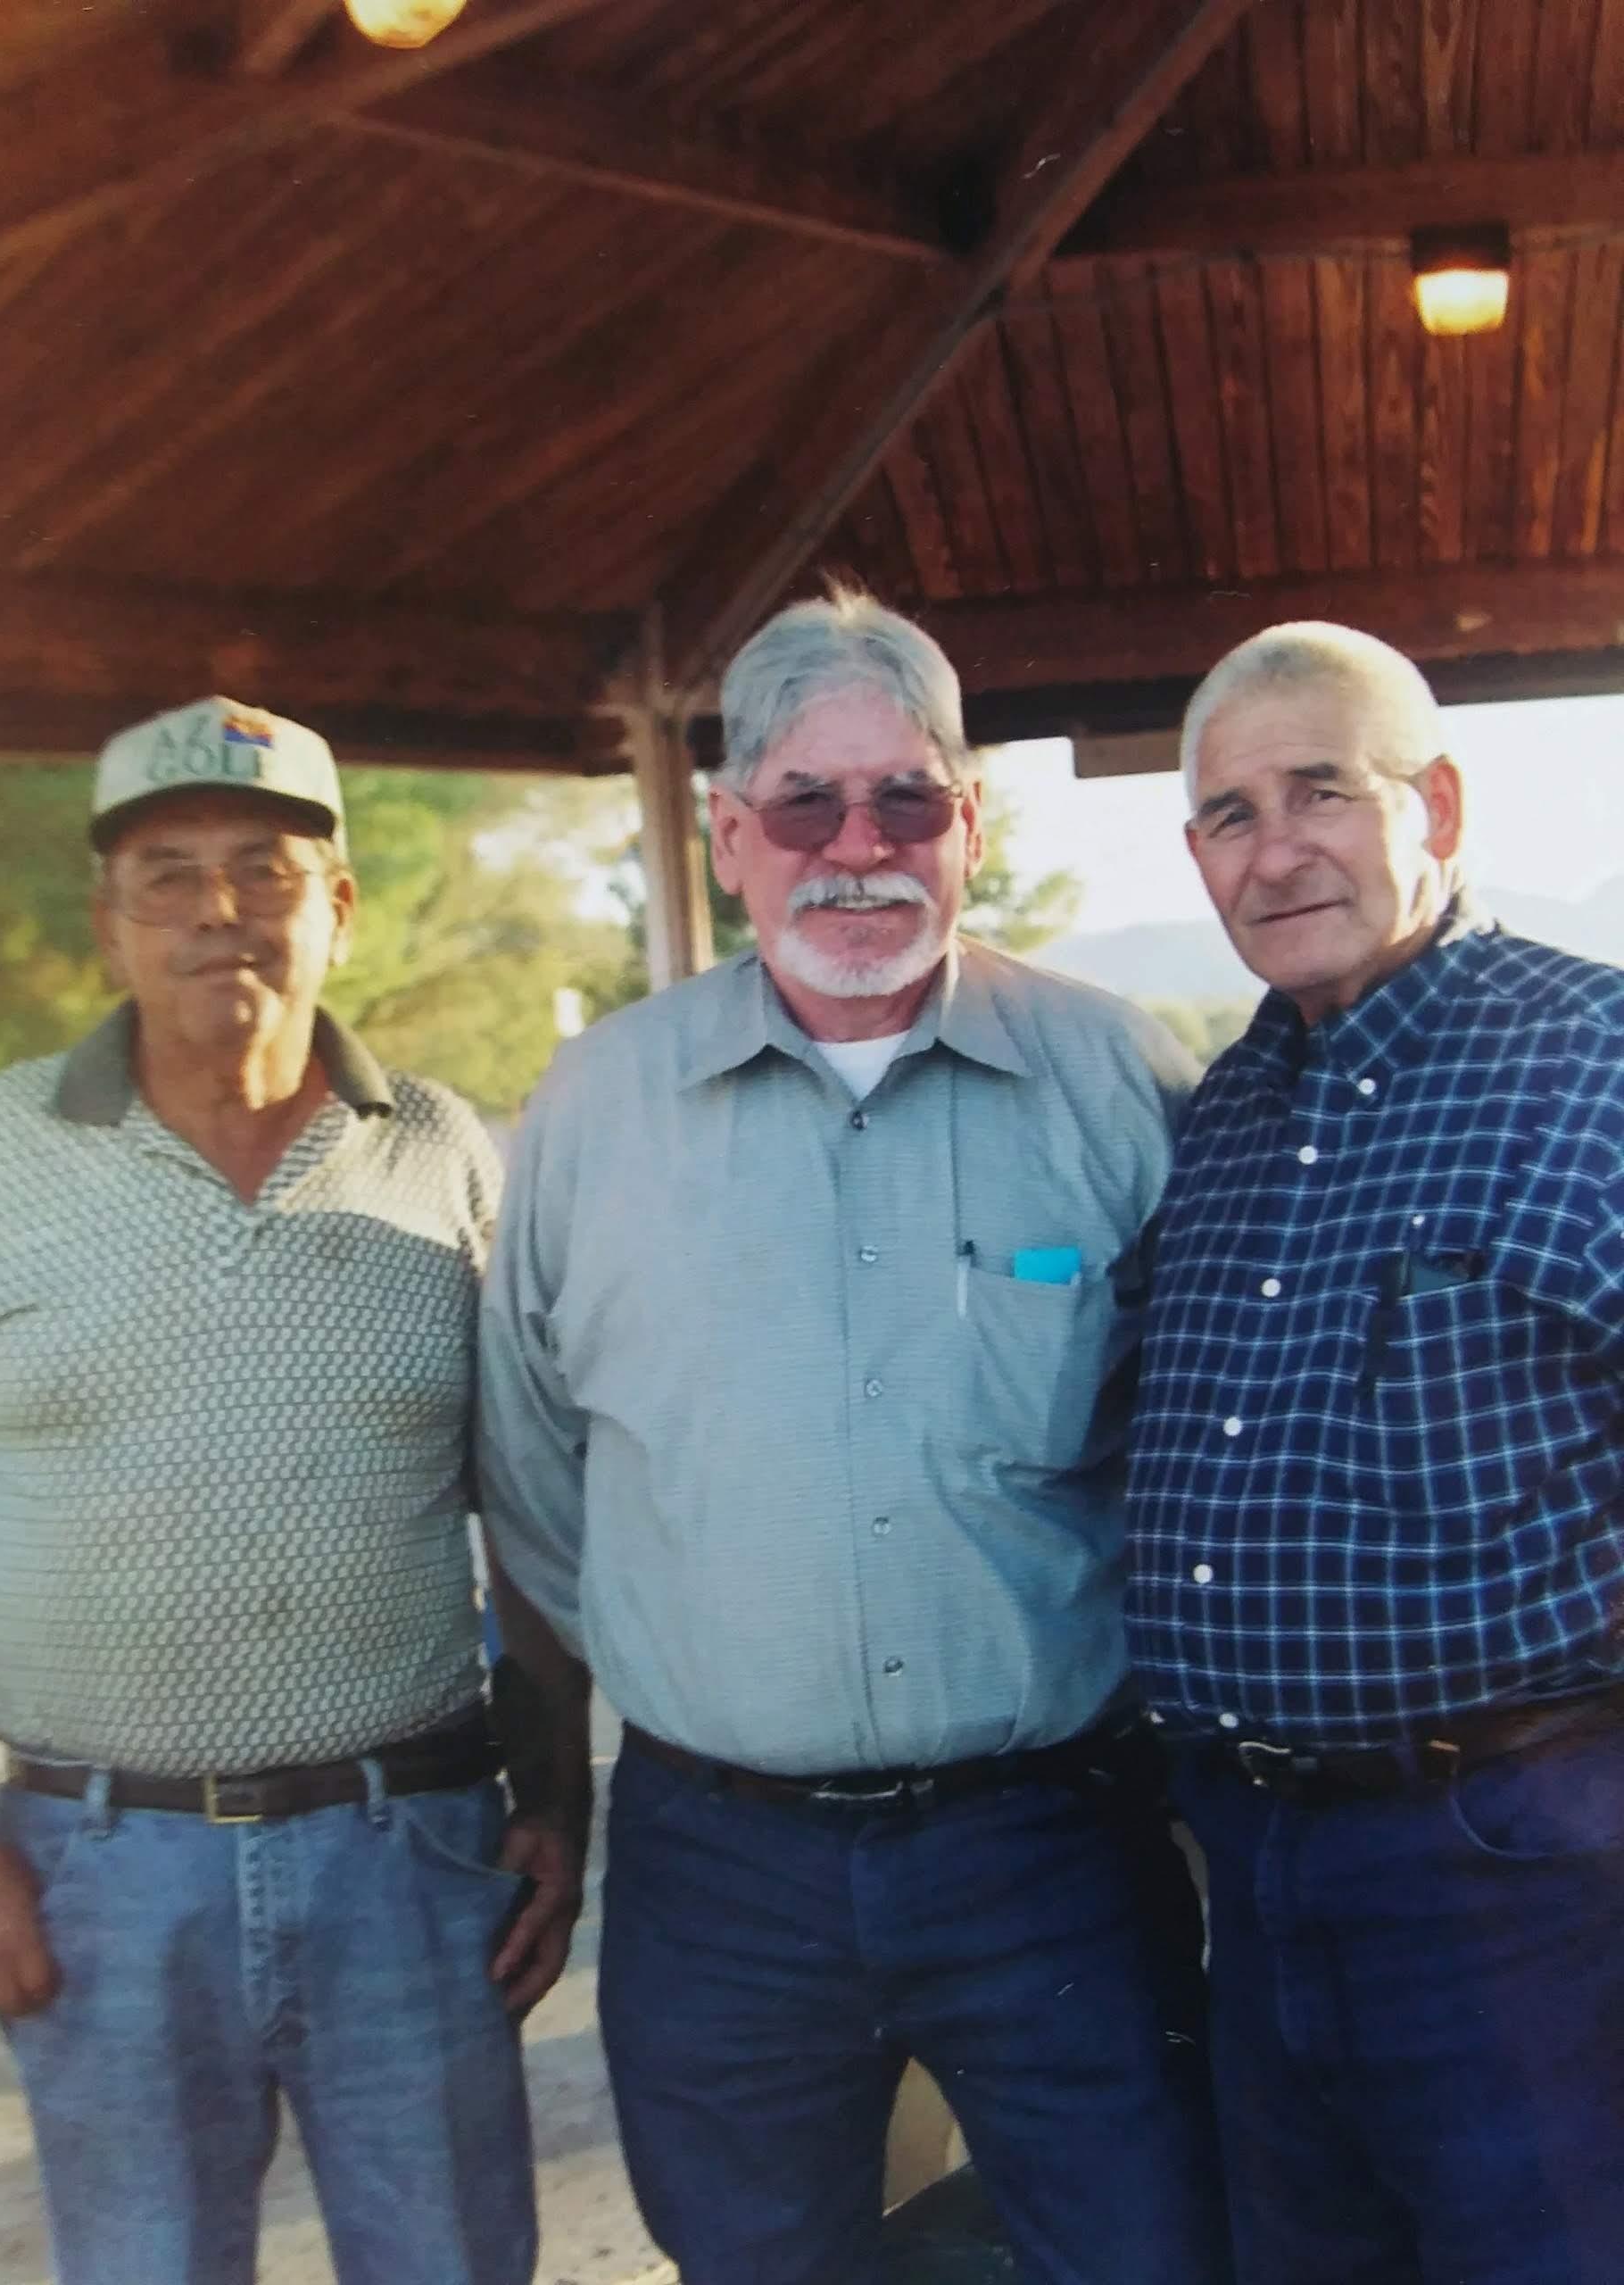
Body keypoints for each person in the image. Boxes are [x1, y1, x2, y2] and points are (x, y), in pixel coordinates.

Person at [478, 589, 1232, 2285]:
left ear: (971, 824)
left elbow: (1203, 1442)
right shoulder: (599, 1109)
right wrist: (718, 1671)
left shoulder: (1119, 1082)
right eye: (806, 805)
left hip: (1051, 1847)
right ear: (730, 835)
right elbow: (531, 1473)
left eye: (905, 799)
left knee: (1149, 2254)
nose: (859, 848)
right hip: (721, 1864)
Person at [0, 698, 580, 2285]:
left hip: (414, 1858)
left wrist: (559, 1795)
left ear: (339, 907)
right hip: (94, 1873)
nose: (221, 910)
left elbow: (533, 1518)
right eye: (169, 875)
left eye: (268, 870)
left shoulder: (444, 1154)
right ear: (109, 923)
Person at [1124, 620, 1624, 2285]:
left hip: (1519, 1874)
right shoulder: (1222, 1114)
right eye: (1231, 814)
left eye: (1320, 791)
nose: (1276, 853)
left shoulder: (1599, 1066)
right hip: (1254, 1868)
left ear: (1441, 806)